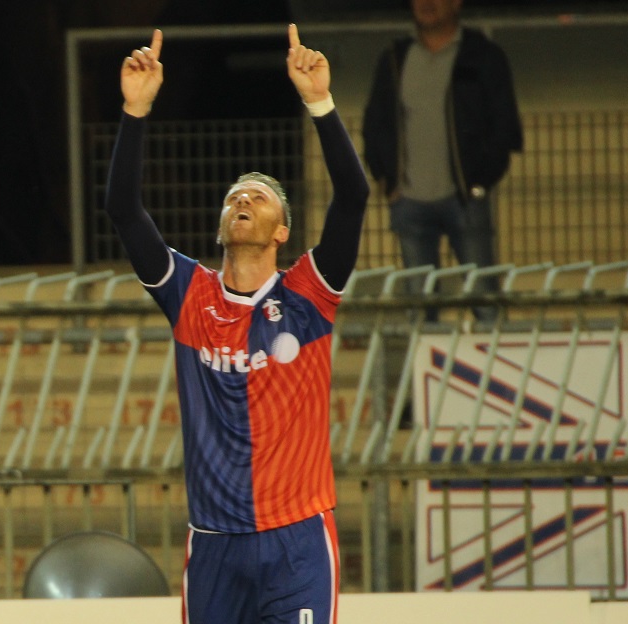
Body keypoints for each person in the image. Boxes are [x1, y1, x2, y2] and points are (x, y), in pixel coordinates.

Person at [106, 26, 368, 624]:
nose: (243, 201)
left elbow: (353, 196)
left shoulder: (308, 295)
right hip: (215, 546)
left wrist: (320, 103)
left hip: (297, 540)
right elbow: (123, 209)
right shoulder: (189, 294)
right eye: (233, 198)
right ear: (222, 225)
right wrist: (135, 110)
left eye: (259, 197)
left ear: (282, 231)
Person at [362, 0, 522, 322]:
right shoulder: (395, 58)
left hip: (466, 198)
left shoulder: (482, 55)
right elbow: (375, 122)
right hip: (408, 201)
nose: (426, 3)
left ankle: (495, 353)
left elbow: (504, 124)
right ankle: (428, 357)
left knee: (484, 298)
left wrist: (480, 183)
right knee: (420, 307)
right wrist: (386, 179)